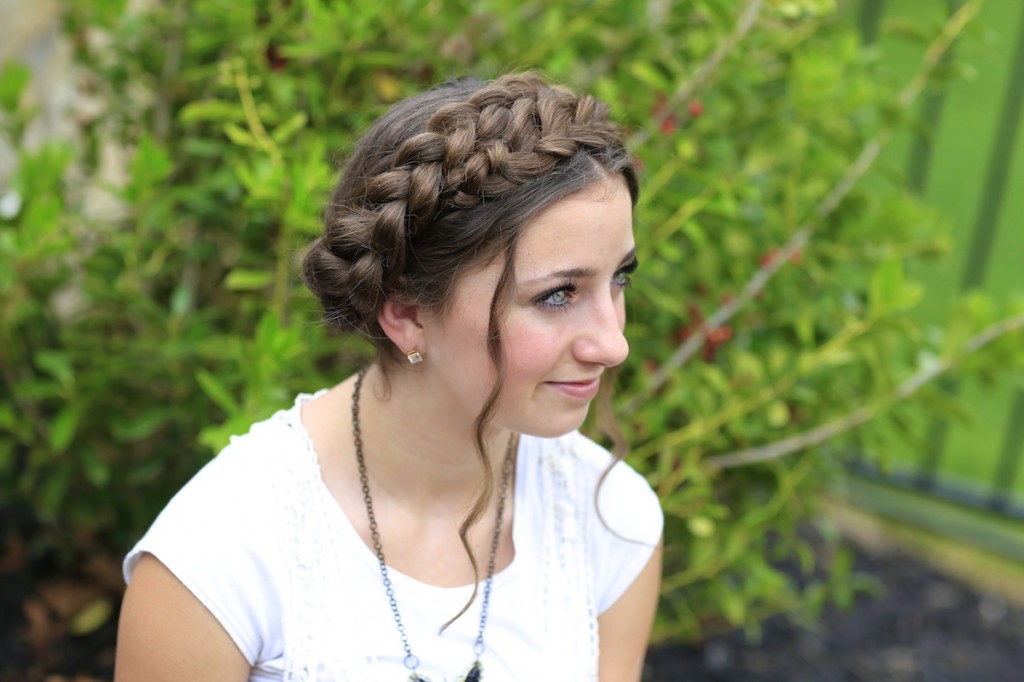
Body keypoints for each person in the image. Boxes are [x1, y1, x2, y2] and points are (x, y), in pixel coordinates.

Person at [115, 72, 663, 682]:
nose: (614, 343)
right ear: (406, 314)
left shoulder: (609, 518)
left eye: (619, 278)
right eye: (558, 295)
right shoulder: (221, 559)